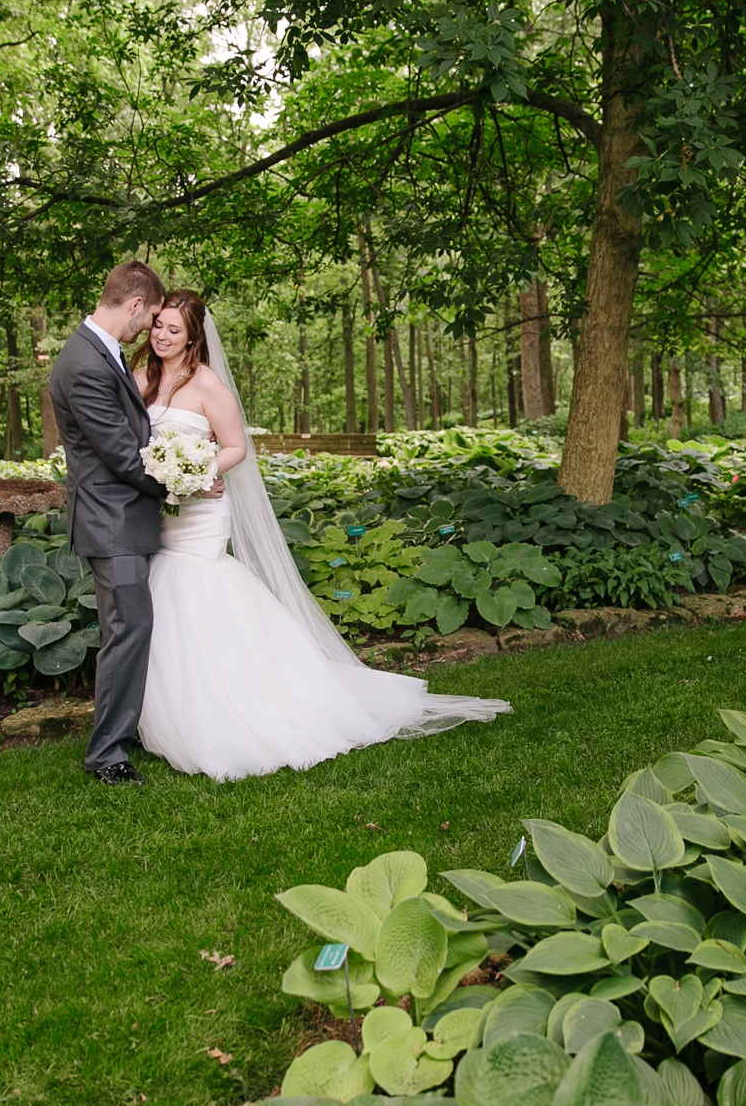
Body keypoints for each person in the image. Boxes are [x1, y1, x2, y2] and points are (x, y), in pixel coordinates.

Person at [132, 287, 508, 780]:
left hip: (200, 511)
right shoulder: (139, 378)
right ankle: (170, 710)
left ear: (193, 338)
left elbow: (235, 447)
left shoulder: (207, 385)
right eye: (158, 325)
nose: (161, 335)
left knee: (196, 587)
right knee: (163, 594)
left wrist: (196, 475)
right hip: (158, 511)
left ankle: (235, 709)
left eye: (173, 330)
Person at [45, 260, 170, 788]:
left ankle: (124, 734)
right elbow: (122, 455)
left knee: (129, 628)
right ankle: (107, 756)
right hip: (110, 519)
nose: (149, 329)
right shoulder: (85, 364)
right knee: (127, 630)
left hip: (118, 516)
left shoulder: (99, 352)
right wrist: (179, 484)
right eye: (150, 318)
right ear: (135, 304)